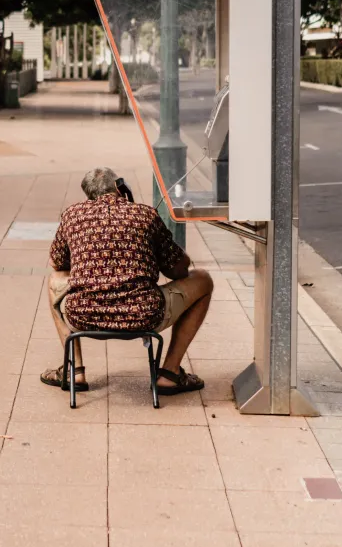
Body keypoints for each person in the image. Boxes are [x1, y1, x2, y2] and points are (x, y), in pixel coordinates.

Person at [41, 167, 213, 395]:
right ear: (120, 188)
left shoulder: (73, 215)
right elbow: (178, 271)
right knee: (203, 279)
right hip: (144, 315)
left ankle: (75, 371)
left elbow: (57, 264)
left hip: (83, 316)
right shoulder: (145, 214)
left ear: (88, 196)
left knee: (55, 280)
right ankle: (170, 374)